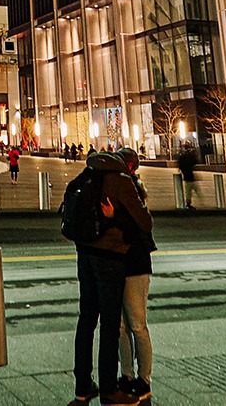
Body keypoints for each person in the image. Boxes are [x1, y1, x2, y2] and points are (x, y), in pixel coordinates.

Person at [65, 146, 149, 405]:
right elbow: (145, 223)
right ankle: (110, 390)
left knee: (86, 320)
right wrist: (119, 217)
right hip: (110, 257)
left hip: (84, 254)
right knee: (111, 325)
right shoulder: (120, 181)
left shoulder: (87, 174)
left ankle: (82, 385)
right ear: (128, 165)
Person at [115, 148, 154, 403]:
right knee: (120, 327)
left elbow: (141, 226)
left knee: (137, 324)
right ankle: (126, 374)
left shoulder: (134, 193)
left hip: (136, 265)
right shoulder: (119, 189)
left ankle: (144, 379)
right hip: (116, 265)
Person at [174, 140, 198, 211]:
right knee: (190, 189)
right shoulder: (187, 156)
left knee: (190, 189)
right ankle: (188, 203)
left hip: (187, 174)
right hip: (189, 175)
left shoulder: (182, 156)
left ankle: (189, 202)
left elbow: (180, 163)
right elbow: (194, 161)